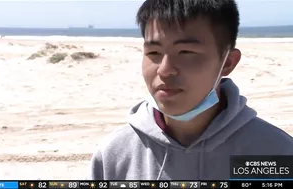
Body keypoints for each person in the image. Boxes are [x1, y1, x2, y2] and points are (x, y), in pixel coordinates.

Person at [87, 0, 293, 180]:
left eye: (185, 52)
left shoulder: (274, 152)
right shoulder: (115, 154)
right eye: (154, 52)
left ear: (228, 62)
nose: (165, 70)